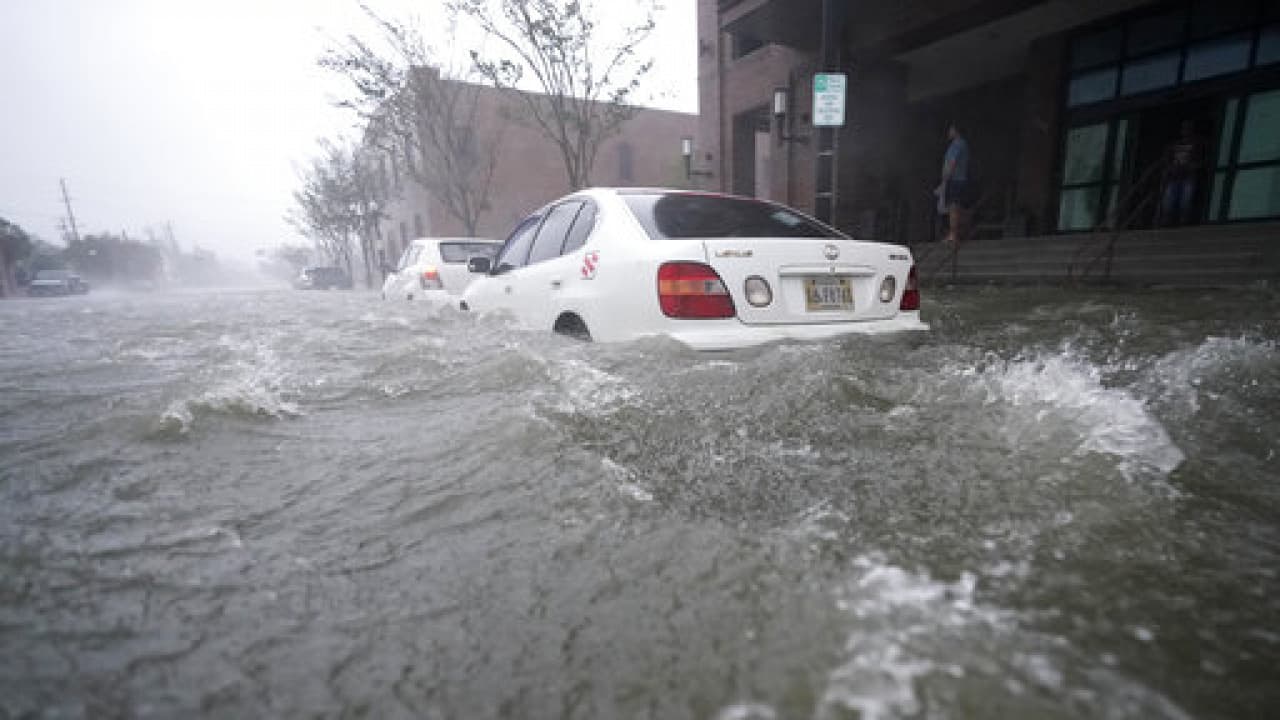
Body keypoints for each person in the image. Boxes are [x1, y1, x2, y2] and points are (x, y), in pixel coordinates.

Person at [1159, 120, 1206, 226]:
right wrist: (1169, 168)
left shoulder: (1198, 143)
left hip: (1189, 176)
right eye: (1184, 128)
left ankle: (1182, 223)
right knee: (1168, 201)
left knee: (1186, 200)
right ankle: (1166, 223)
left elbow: (1202, 159)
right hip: (1174, 176)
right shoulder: (1174, 144)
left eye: (1188, 128)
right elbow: (1167, 159)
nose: (1186, 130)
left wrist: (1195, 166)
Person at [937, 122, 972, 245]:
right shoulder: (964, 144)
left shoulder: (956, 145)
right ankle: (959, 233)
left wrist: (945, 178)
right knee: (958, 207)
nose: (949, 132)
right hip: (961, 179)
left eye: (951, 129)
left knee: (953, 207)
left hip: (954, 180)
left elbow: (951, 162)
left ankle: (953, 234)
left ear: (956, 131)